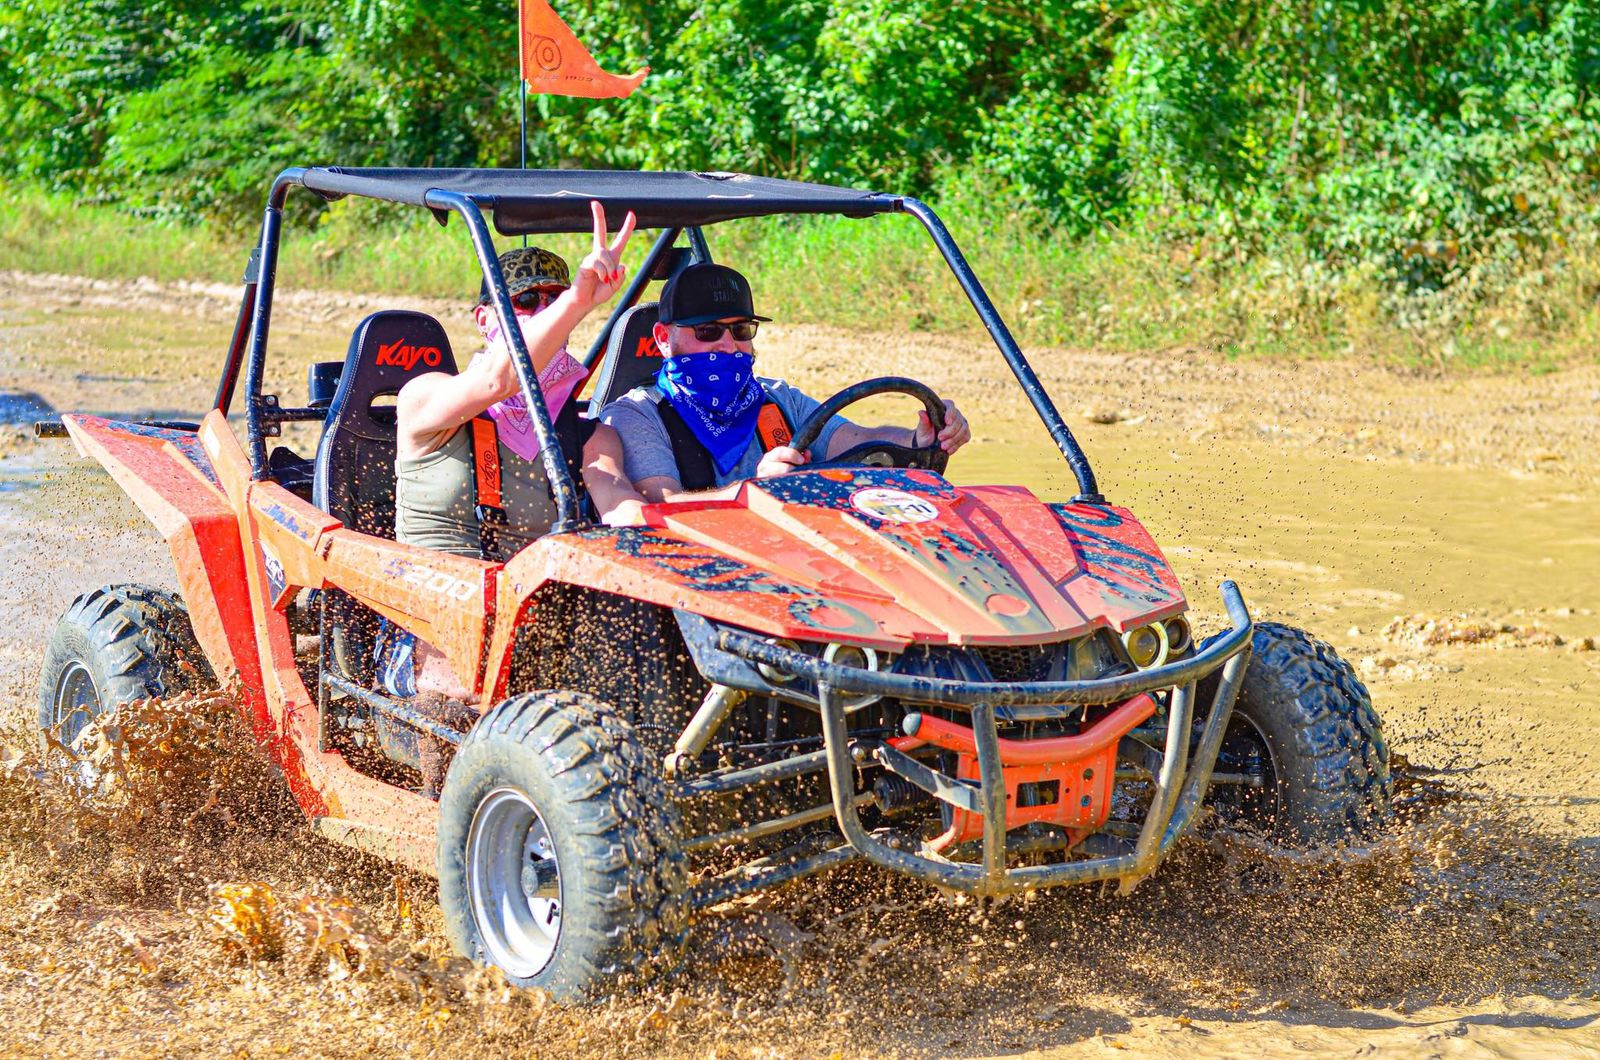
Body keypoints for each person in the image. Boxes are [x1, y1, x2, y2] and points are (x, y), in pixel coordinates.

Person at [385, 203, 642, 791]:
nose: (543, 311)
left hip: (535, 626)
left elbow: (619, 500)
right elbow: (500, 380)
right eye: (527, 302)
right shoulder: (428, 397)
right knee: (460, 655)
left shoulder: (587, 429)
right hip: (427, 632)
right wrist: (578, 297)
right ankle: (447, 818)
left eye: (553, 301)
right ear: (484, 319)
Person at [598, 263, 970, 506]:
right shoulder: (636, 415)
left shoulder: (778, 399)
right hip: (698, 576)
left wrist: (920, 438)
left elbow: (857, 440)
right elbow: (663, 505)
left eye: (740, 330)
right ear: (663, 339)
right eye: (708, 332)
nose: (728, 346)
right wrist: (753, 490)